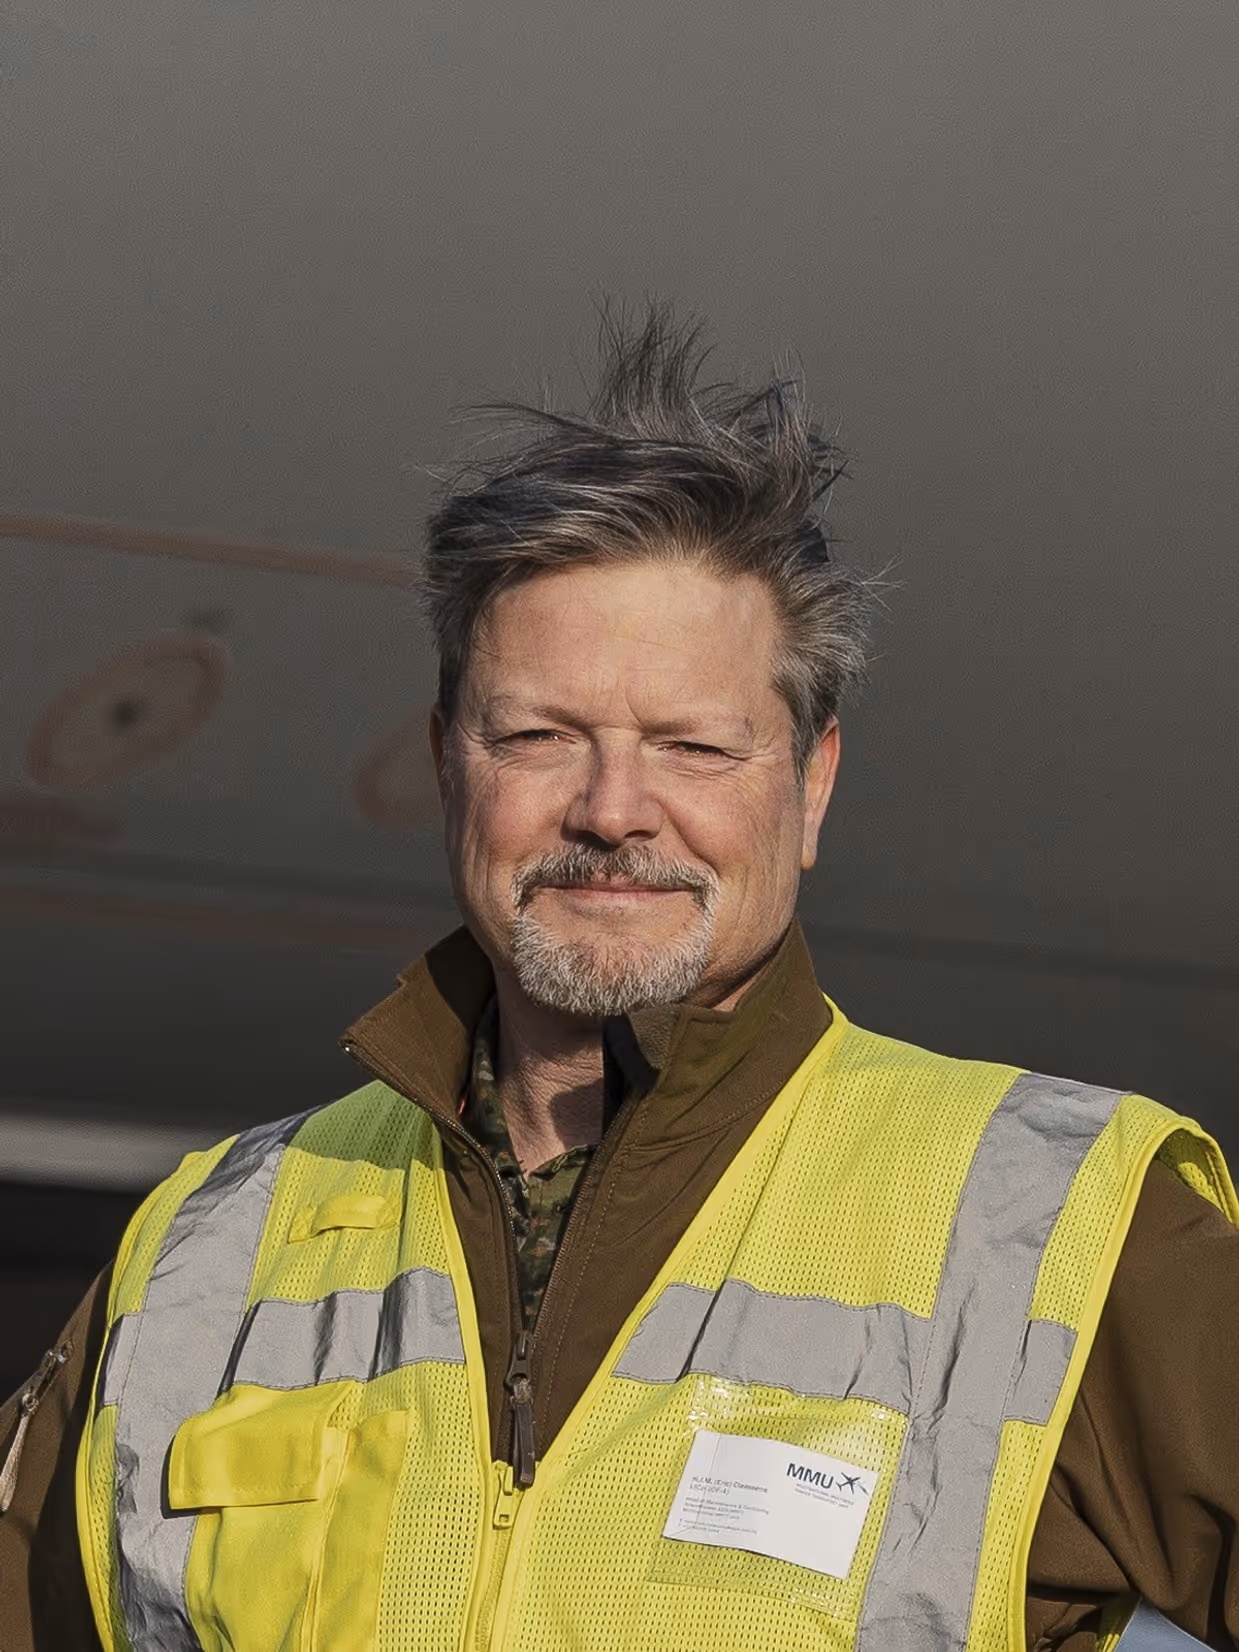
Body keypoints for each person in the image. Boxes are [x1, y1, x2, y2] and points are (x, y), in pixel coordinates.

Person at [2, 306, 1237, 1652]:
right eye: (538, 735)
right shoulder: (198, 1257)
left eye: (693, 747)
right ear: (447, 764)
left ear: (810, 785)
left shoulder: (1064, 1229)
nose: (611, 809)